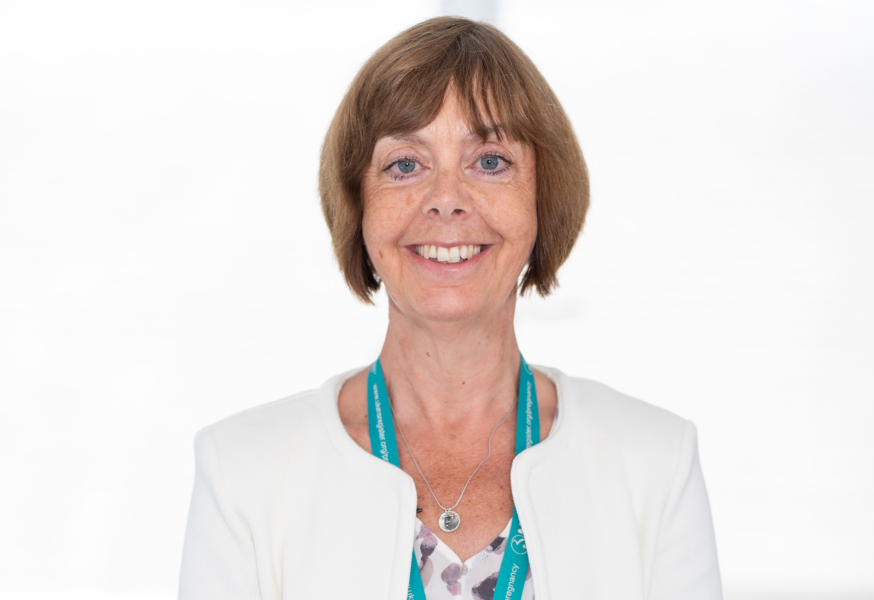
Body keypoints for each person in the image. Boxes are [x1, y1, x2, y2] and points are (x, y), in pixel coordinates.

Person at [178, 16, 723, 600]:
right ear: (358, 207)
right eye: (405, 165)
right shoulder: (242, 473)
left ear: (543, 197)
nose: (446, 200)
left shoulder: (656, 463)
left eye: (489, 160)